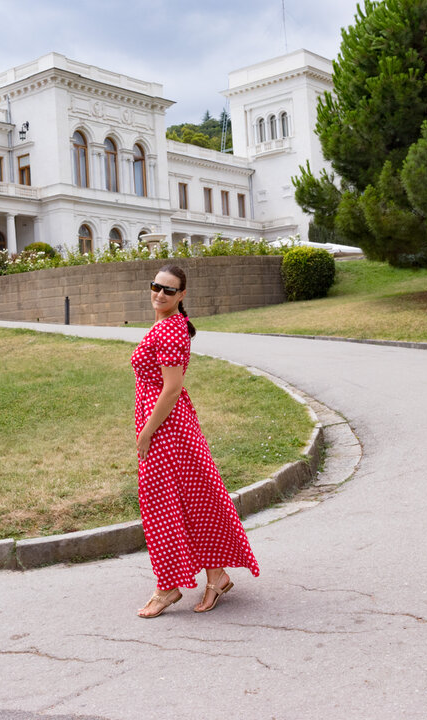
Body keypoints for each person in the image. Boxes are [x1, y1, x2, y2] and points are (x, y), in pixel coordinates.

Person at [132, 264, 258, 618]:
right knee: (193, 499)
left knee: (163, 506)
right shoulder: (165, 323)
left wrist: (146, 433)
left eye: (168, 290)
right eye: (155, 286)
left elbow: (171, 390)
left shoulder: (171, 331)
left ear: (182, 295)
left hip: (167, 429)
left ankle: (167, 587)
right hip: (170, 426)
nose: (159, 294)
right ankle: (216, 576)